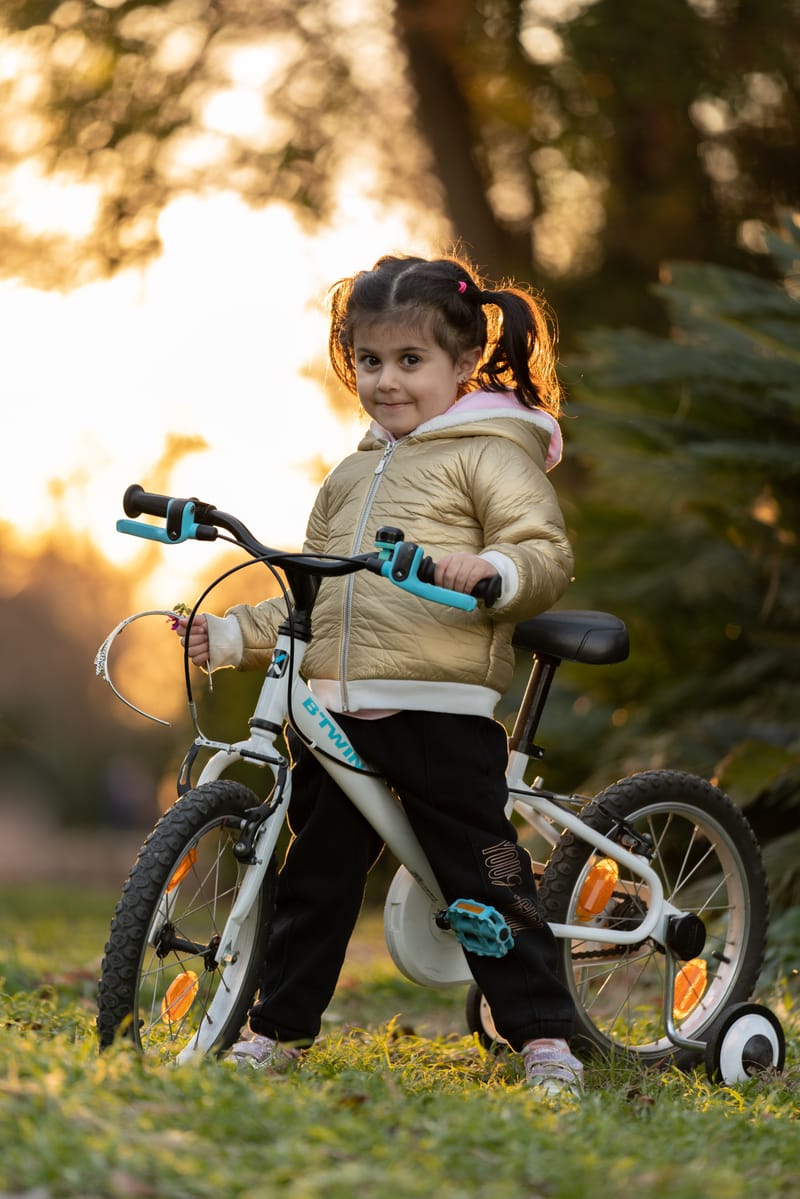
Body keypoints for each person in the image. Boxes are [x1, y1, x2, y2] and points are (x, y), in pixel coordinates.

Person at [176, 253, 583, 1097]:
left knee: (485, 877)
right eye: (369, 361)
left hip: (440, 707)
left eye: (410, 361)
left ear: (463, 363)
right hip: (338, 711)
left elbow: (544, 553)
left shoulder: (492, 454)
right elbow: (311, 590)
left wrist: (488, 568)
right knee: (313, 881)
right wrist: (227, 633)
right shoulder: (352, 473)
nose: (386, 381)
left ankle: (545, 1036)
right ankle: (278, 1031)